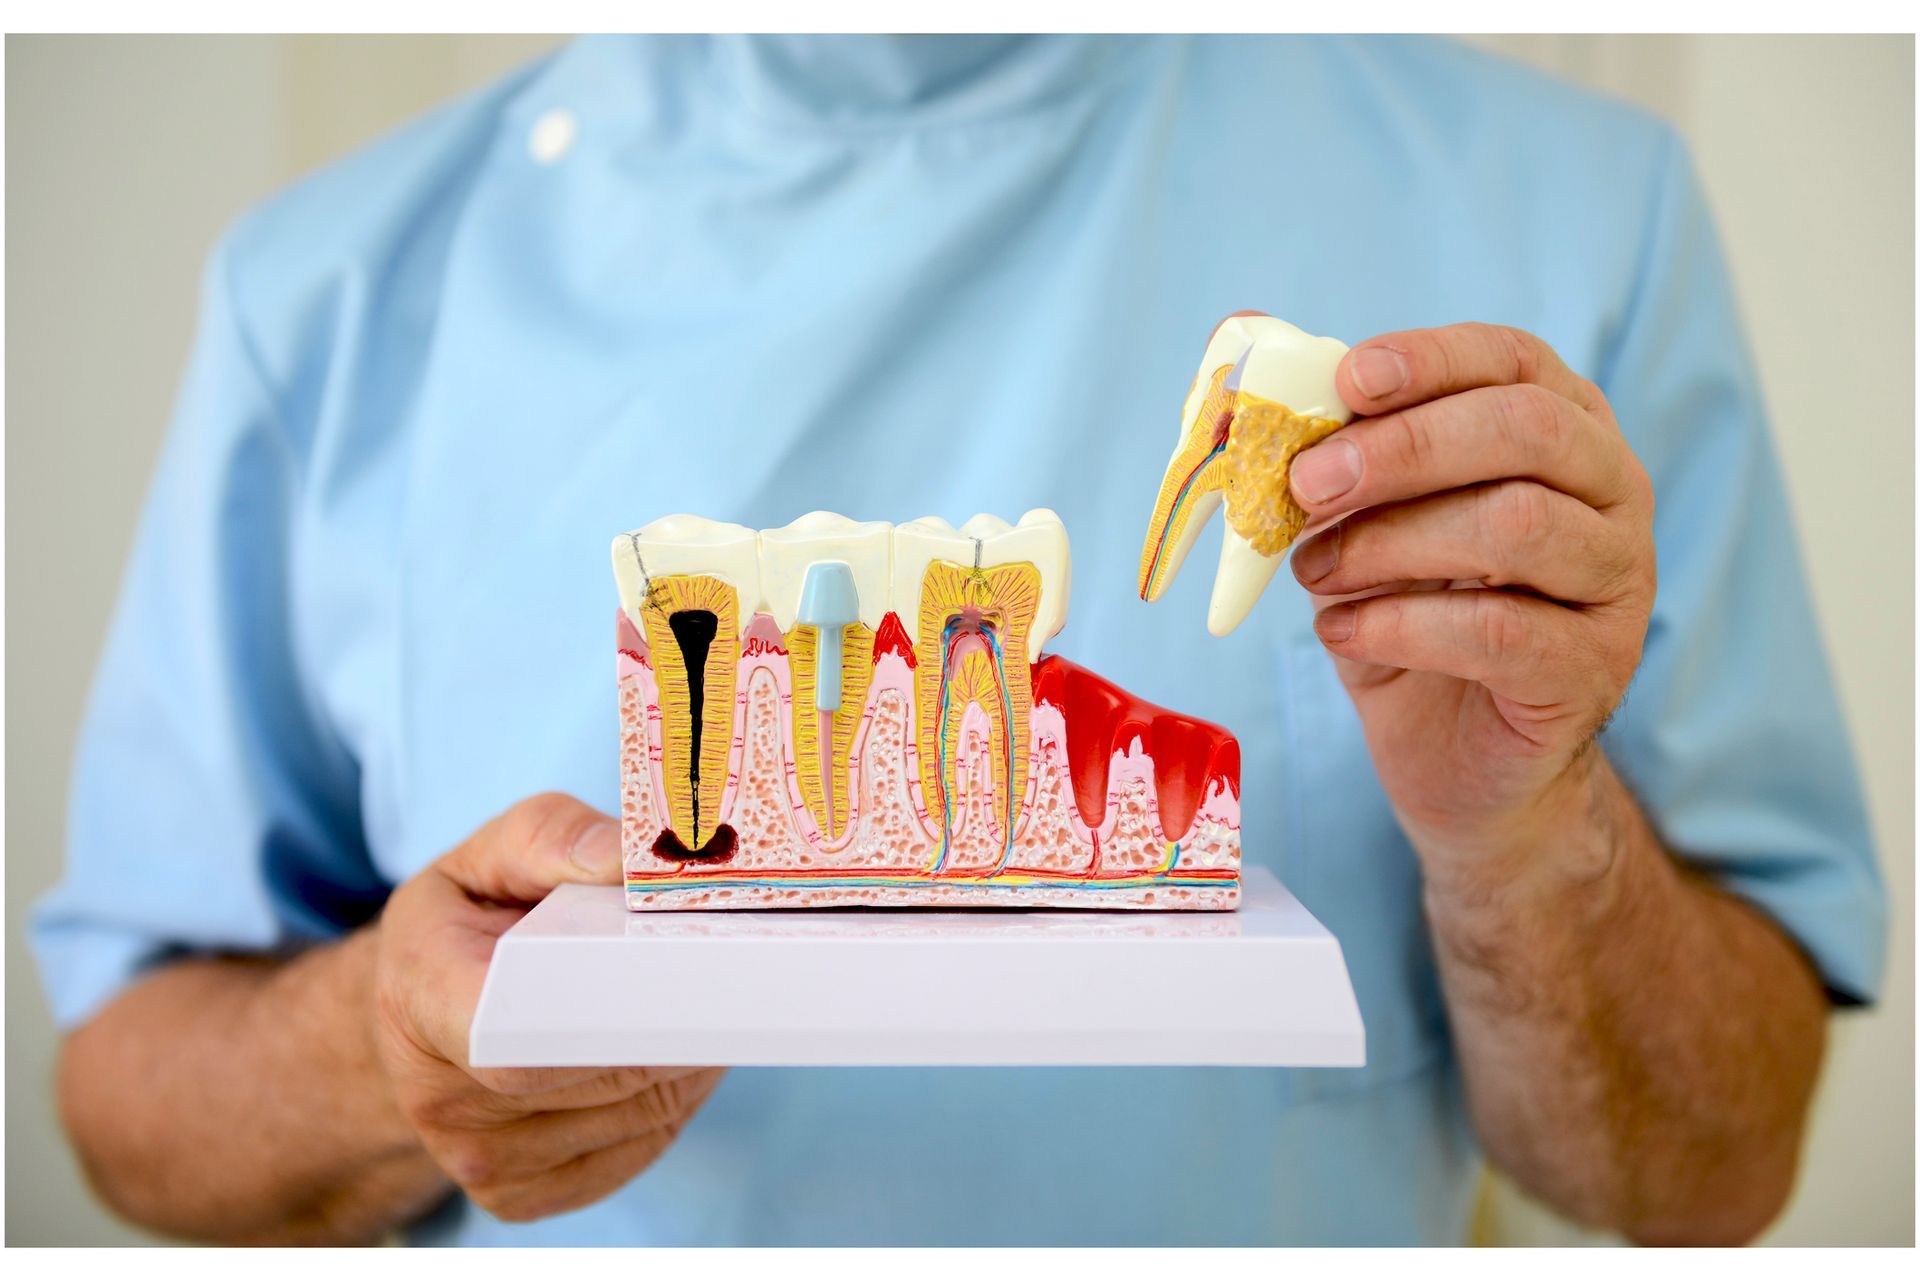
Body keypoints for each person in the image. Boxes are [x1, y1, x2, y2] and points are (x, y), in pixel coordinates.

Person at [34, 35, 1884, 1247]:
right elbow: (125, 1100)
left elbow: (1714, 1170)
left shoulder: (1567, 221)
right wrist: (382, 1051)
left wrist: (1527, 836)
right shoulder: (334, 293)